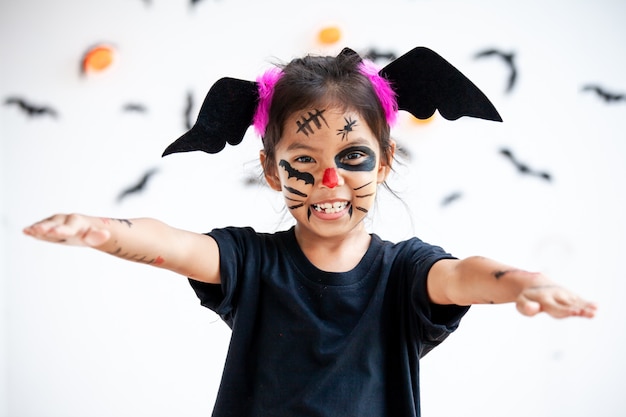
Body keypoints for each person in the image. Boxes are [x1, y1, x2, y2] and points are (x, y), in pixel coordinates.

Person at [23, 46, 597, 417]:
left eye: (352, 156)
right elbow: (172, 243)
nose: (330, 181)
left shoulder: (406, 271)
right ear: (273, 169)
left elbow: (465, 275)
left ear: (386, 160)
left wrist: (526, 281)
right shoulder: (250, 262)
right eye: (304, 160)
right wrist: (104, 229)